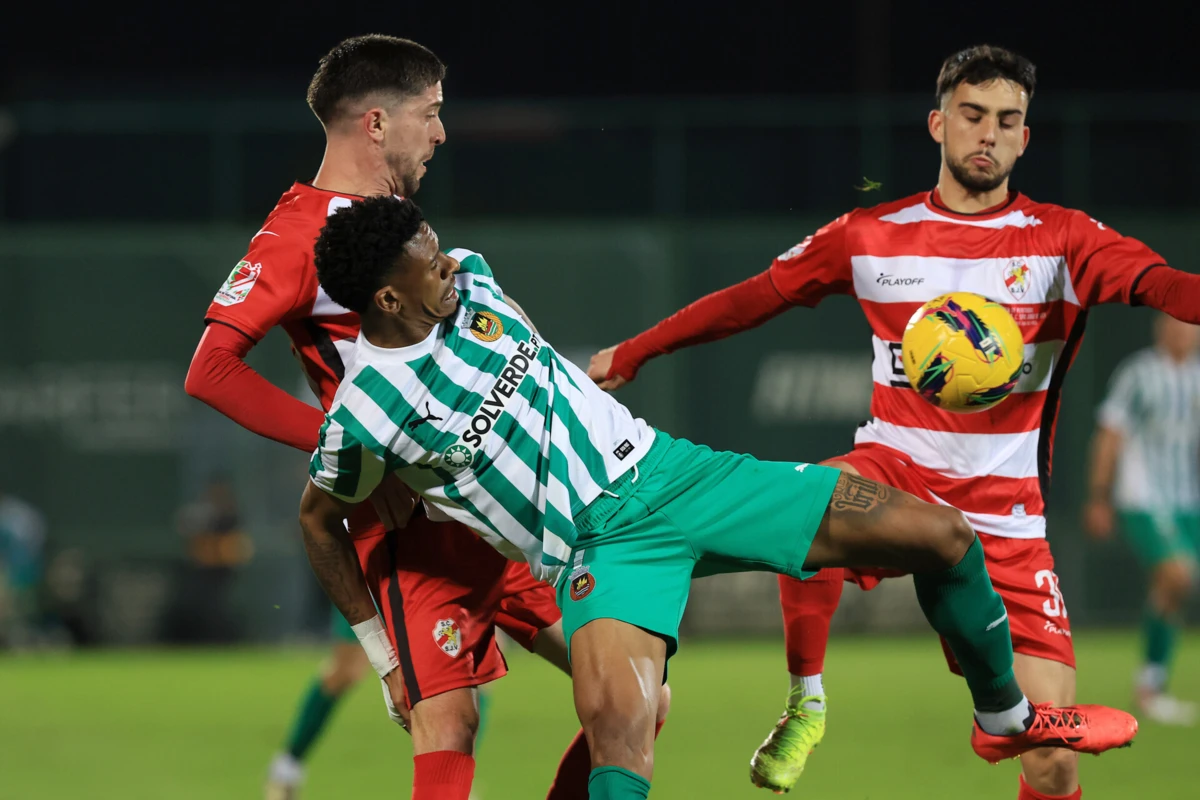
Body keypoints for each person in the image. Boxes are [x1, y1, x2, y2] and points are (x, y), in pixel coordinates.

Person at [302, 195, 1138, 800]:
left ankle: (1003, 718)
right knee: (622, 736)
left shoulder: (475, 284)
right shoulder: (365, 414)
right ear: (387, 298)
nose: (449, 263)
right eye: (430, 263)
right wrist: (383, 653)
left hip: (681, 474)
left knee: (943, 536)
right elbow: (319, 521)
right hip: (598, 546)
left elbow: (528, 366)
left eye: (441, 249)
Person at [586, 43, 1200, 800]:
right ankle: (806, 703)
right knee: (810, 498)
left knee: (1052, 761)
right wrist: (636, 351)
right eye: (972, 114)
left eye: (1007, 120)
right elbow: (755, 297)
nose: (989, 133)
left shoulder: (1065, 241)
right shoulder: (871, 233)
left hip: (1007, 517)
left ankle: (1003, 720)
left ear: (1025, 138)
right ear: (938, 123)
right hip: (898, 470)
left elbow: (1166, 286)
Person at [184, 35, 646, 800]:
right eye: (429, 113)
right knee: (449, 726)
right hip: (414, 530)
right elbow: (211, 369)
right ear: (375, 122)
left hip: (499, 508)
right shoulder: (299, 235)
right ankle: (289, 769)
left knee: (637, 699)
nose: (440, 132)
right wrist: (346, 453)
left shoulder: (393, 219)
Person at [1084, 313, 1200, 726]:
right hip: (1144, 497)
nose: (1180, 331)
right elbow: (1109, 434)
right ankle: (1150, 686)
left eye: (1188, 325)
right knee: (1177, 575)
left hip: (1188, 501)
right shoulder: (1138, 374)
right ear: (1159, 328)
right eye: (1173, 324)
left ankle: (1153, 681)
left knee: (1173, 588)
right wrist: (1099, 496)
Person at [173, 475, 254, 643]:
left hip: (225, 572)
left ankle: (226, 640)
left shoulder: (233, 516)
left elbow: (241, 548)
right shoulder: (201, 514)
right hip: (202, 572)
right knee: (198, 606)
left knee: (222, 609)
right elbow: (190, 541)